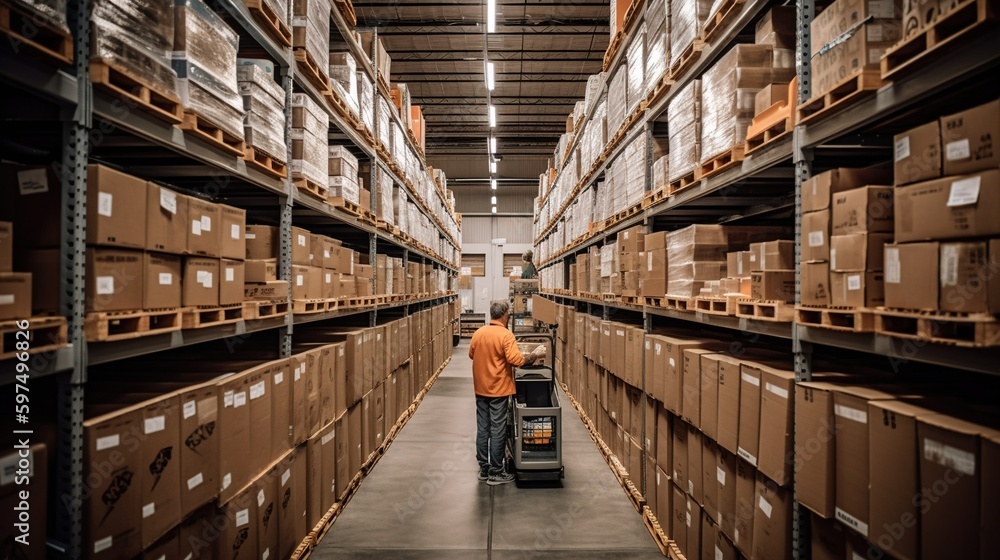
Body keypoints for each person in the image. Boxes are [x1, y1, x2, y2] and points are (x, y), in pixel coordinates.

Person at [468, 300, 543, 485]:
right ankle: (496, 471)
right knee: (498, 428)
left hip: (480, 388)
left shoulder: (479, 333)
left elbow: (471, 354)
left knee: (483, 428)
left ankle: (484, 468)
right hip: (498, 389)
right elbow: (516, 359)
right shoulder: (505, 335)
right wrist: (535, 355)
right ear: (505, 315)